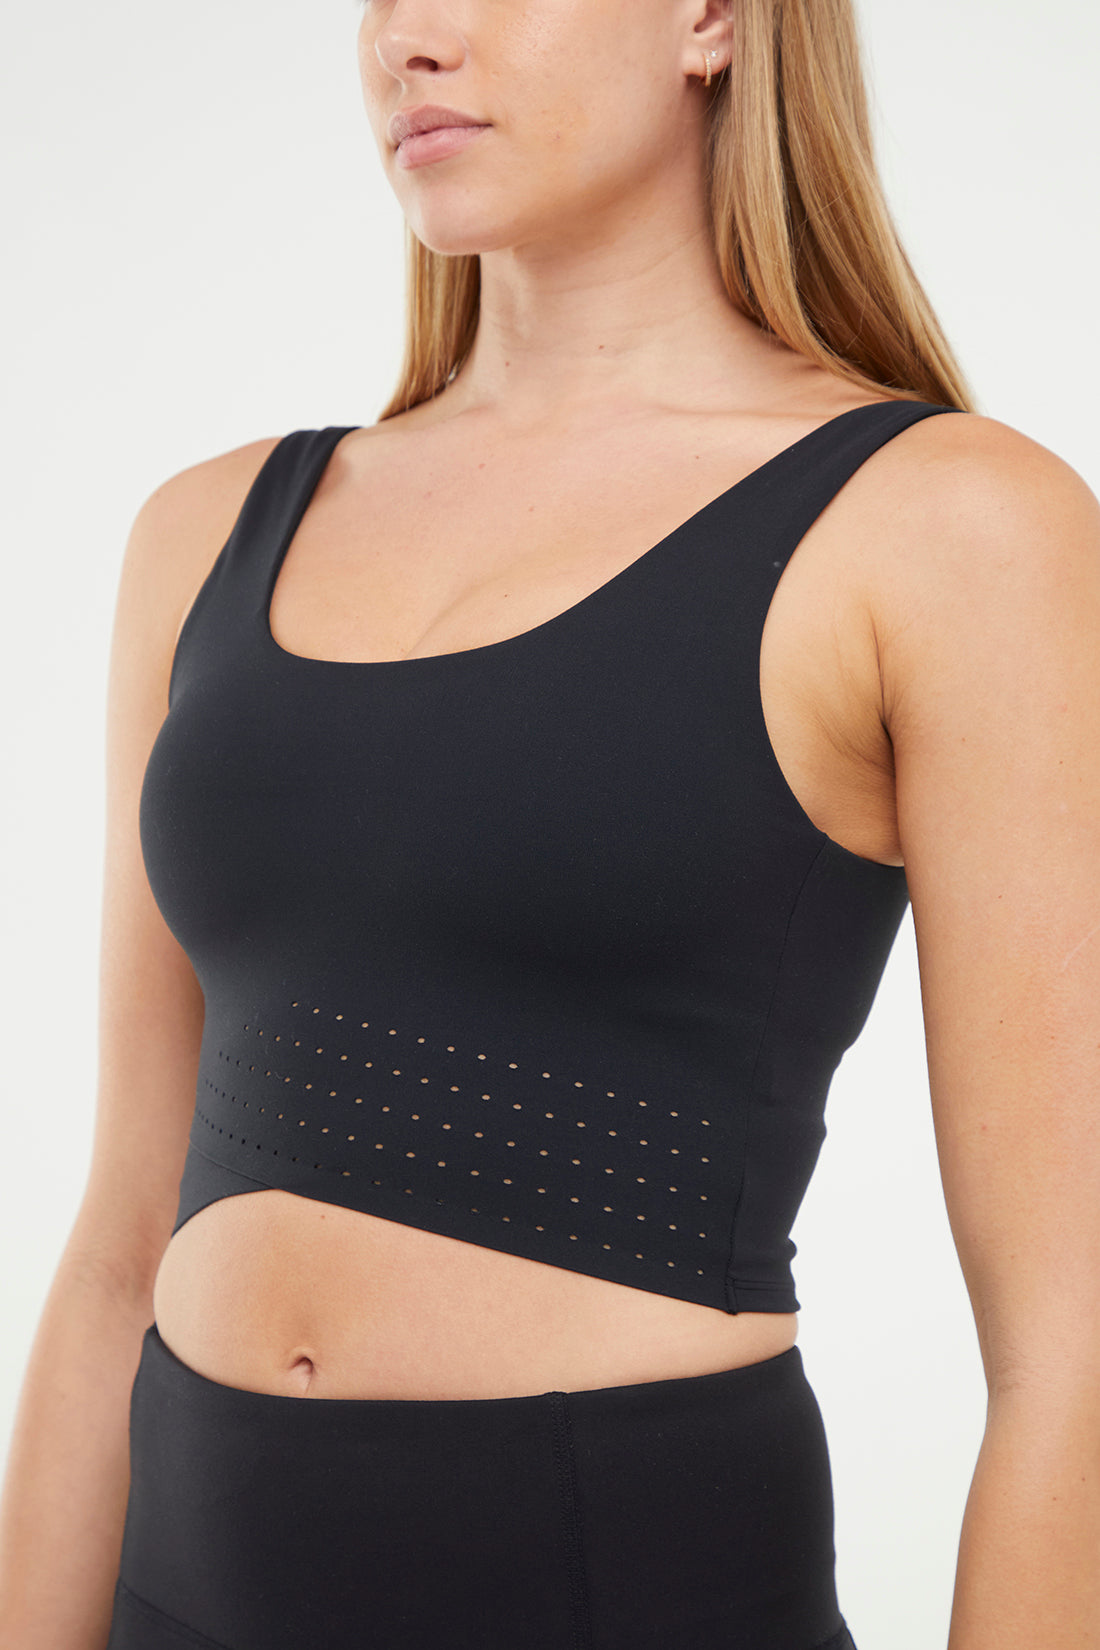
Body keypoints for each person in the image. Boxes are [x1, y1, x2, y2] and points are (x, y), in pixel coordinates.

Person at [2, 0, 1098, 1645]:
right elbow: (114, 1250)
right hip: (178, 1590)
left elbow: (1069, 1342)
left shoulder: (949, 526)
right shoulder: (208, 532)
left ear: (711, 21)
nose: (406, 38)